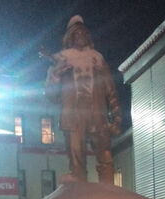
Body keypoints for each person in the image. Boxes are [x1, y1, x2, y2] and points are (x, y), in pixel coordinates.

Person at [45, 15, 121, 184]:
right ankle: (78, 182)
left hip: (97, 113)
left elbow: (111, 90)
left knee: (104, 152)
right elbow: (51, 96)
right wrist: (56, 74)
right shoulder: (61, 60)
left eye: (83, 32)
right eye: (76, 33)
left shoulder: (97, 58)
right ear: (70, 37)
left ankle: (108, 185)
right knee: (76, 155)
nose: (80, 35)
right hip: (73, 115)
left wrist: (116, 118)